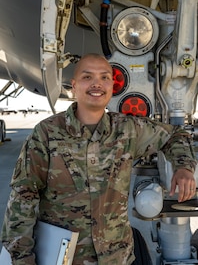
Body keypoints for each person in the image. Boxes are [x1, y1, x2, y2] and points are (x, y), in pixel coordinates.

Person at [1, 53, 197, 265]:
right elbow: (23, 197)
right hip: (65, 258)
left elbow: (175, 135)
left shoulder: (127, 130)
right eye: (88, 77)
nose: (97, 84)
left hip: (117, 258)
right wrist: (21, 259)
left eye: (104, 77)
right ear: (74, 86)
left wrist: (184, 167)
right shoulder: (47, 134)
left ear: (112, 86)